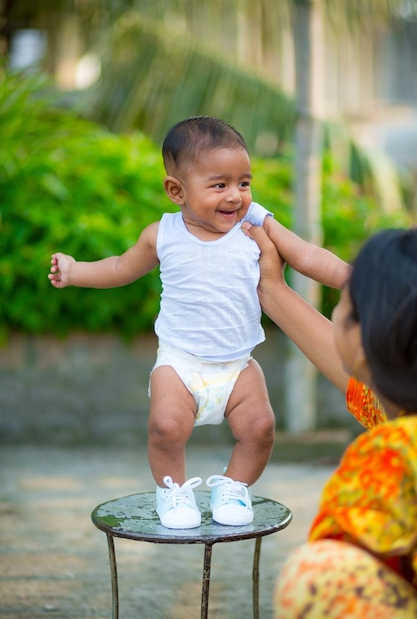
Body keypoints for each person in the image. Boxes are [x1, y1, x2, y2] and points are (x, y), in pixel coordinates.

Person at [48, 116, 349, 530]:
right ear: (177, 191)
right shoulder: (163, 234)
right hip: (180, 363)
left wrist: (357, 278)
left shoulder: (255, 223)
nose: (235, 196)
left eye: (243, 183)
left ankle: (234, 486)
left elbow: (306, 255)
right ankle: (172, 491)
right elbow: (119, 268)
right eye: (219, 184)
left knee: (261, 429)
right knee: (165, 427)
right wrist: (75, 270)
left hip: (239, 365)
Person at [243, 222, 417, 618]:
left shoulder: (393, 451)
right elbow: (367, 384)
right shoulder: (399, 418)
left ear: (366, 334)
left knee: (319, 575)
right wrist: (271, 287)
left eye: (345, 301)